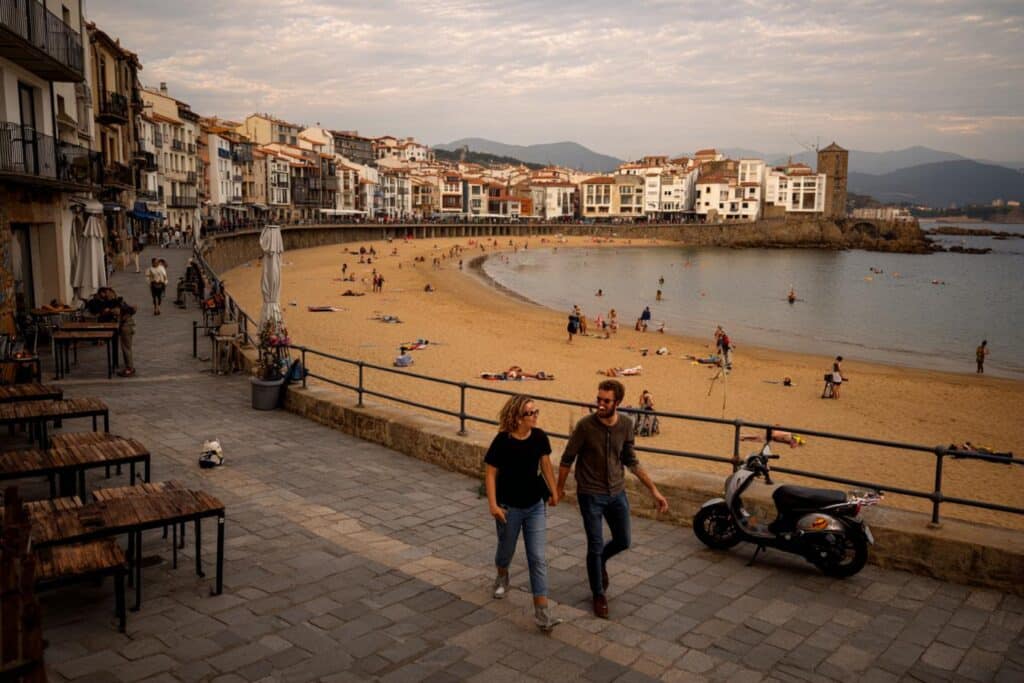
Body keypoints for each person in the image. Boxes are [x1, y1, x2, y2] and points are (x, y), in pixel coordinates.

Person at [557, 380, 669, 619]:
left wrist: (654, 491)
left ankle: (600, 562)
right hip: (590, 494)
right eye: (598, 399)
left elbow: (631, 460)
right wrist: (558, 489)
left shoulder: (626, 425)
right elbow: (567, 459)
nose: (600, 404)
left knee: (623, 540)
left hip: (617, 493)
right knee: (595, 545)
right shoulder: (585, 426)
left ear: (617, 402)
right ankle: (598, 594)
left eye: (605, 401)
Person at [485, 396, 562, 632]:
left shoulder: (539, 437)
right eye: (530, 413)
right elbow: (490, 473)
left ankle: (542, 613)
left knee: (537, 557)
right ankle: (502, 575)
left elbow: (546, 465)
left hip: (535, 505)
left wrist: (553, 489)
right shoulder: (502, 441)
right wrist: (493, 505)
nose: (535, 415)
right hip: (509, 506)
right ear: (518, 418)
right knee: (506, 550)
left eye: (535, 411)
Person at [116, 299, 137, 377]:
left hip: (126, 328)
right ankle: (129, 367)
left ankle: (129, 368)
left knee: (126, 349)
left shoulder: (123, 310)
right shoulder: (125, 308)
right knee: (127, 348)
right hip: (129, 327)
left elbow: (133, 310)